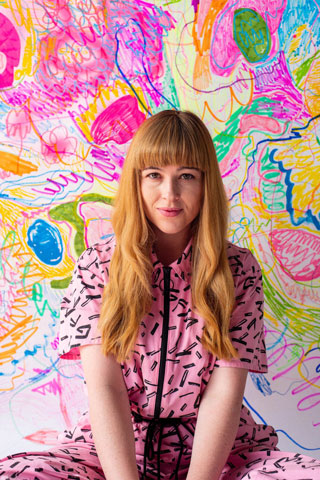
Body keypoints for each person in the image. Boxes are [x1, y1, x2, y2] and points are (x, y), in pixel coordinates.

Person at [1, 110, 320, 479]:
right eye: (154, 175)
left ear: (206, 184)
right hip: (113, 450)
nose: (170, 194)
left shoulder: (238, 269)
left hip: (221, 452)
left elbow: (224, 394)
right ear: (137, 182)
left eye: (186, 176)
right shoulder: (98, 265)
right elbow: (105, 388)